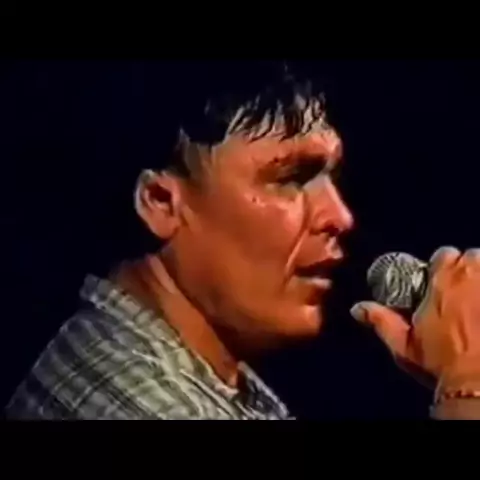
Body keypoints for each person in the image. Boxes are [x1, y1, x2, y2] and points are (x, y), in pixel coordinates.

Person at [5, 61, 480, 420]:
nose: (340, 216)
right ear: (161, 202)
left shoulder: (191, 368)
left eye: (331, 178)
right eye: (291, 178)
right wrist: (466, 383)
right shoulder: (137, 404)